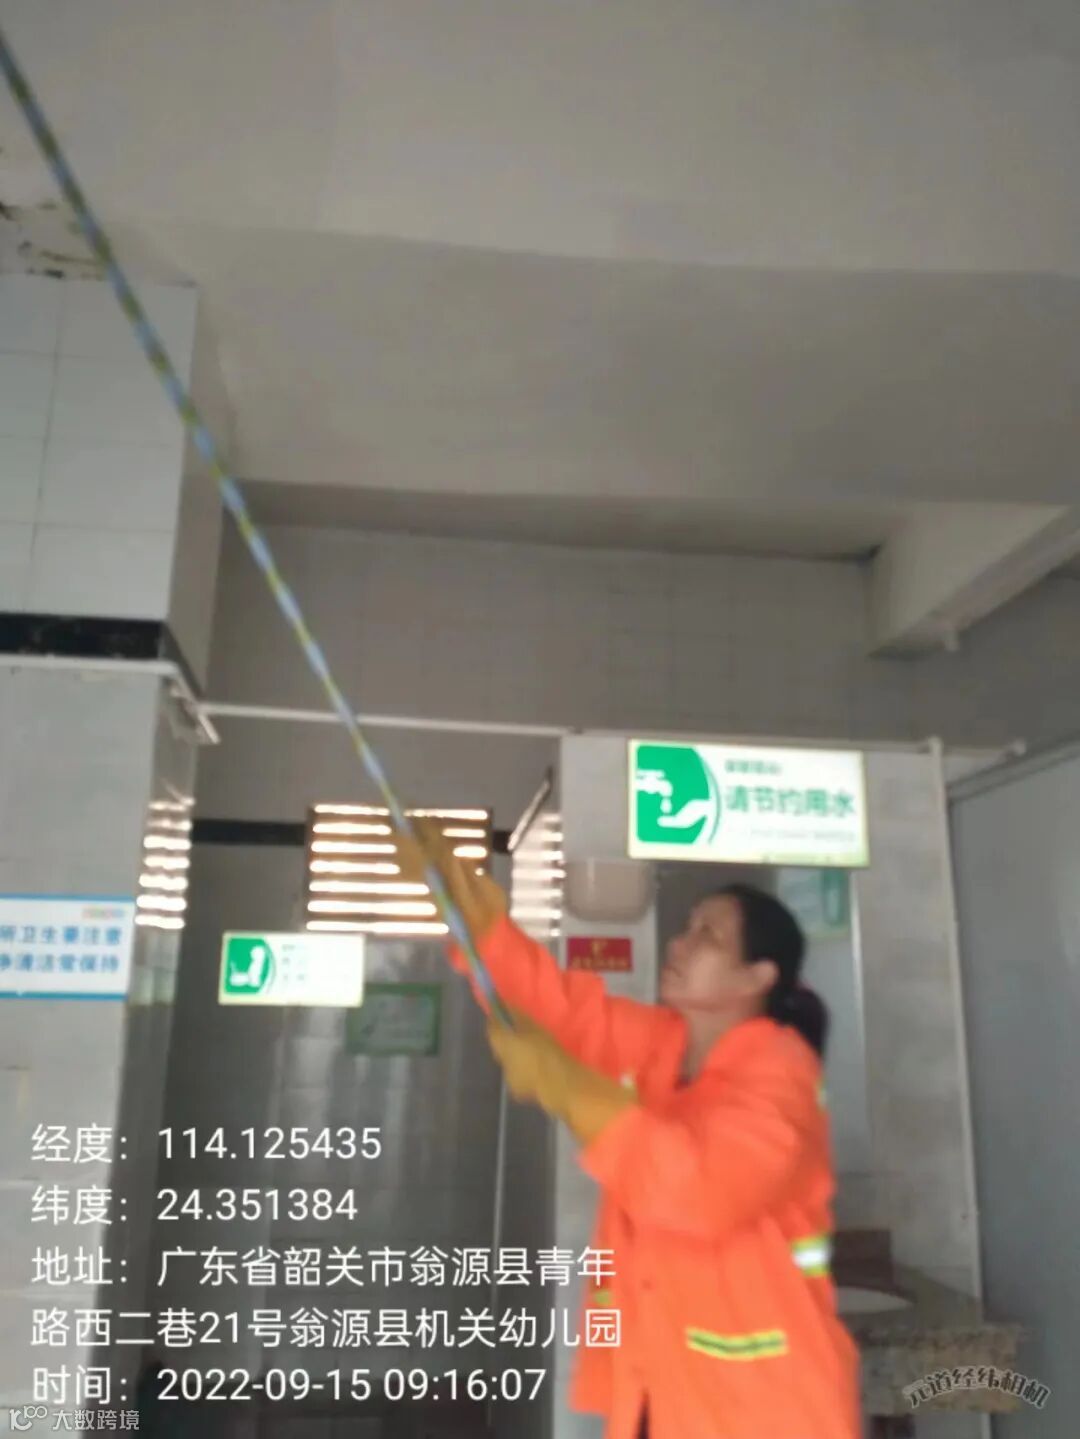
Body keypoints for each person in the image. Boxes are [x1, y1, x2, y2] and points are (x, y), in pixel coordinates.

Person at [397, 823, 861, 1439]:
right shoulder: (664, 1047)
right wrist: (474, 920)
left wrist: (570, 1087)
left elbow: (697, 1188)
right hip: (661, 1393)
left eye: (707, 935)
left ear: (757, 977)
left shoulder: (782, 1073)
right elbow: (558, 1009)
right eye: (687, 927)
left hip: (766, 1409)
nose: (680, 943)